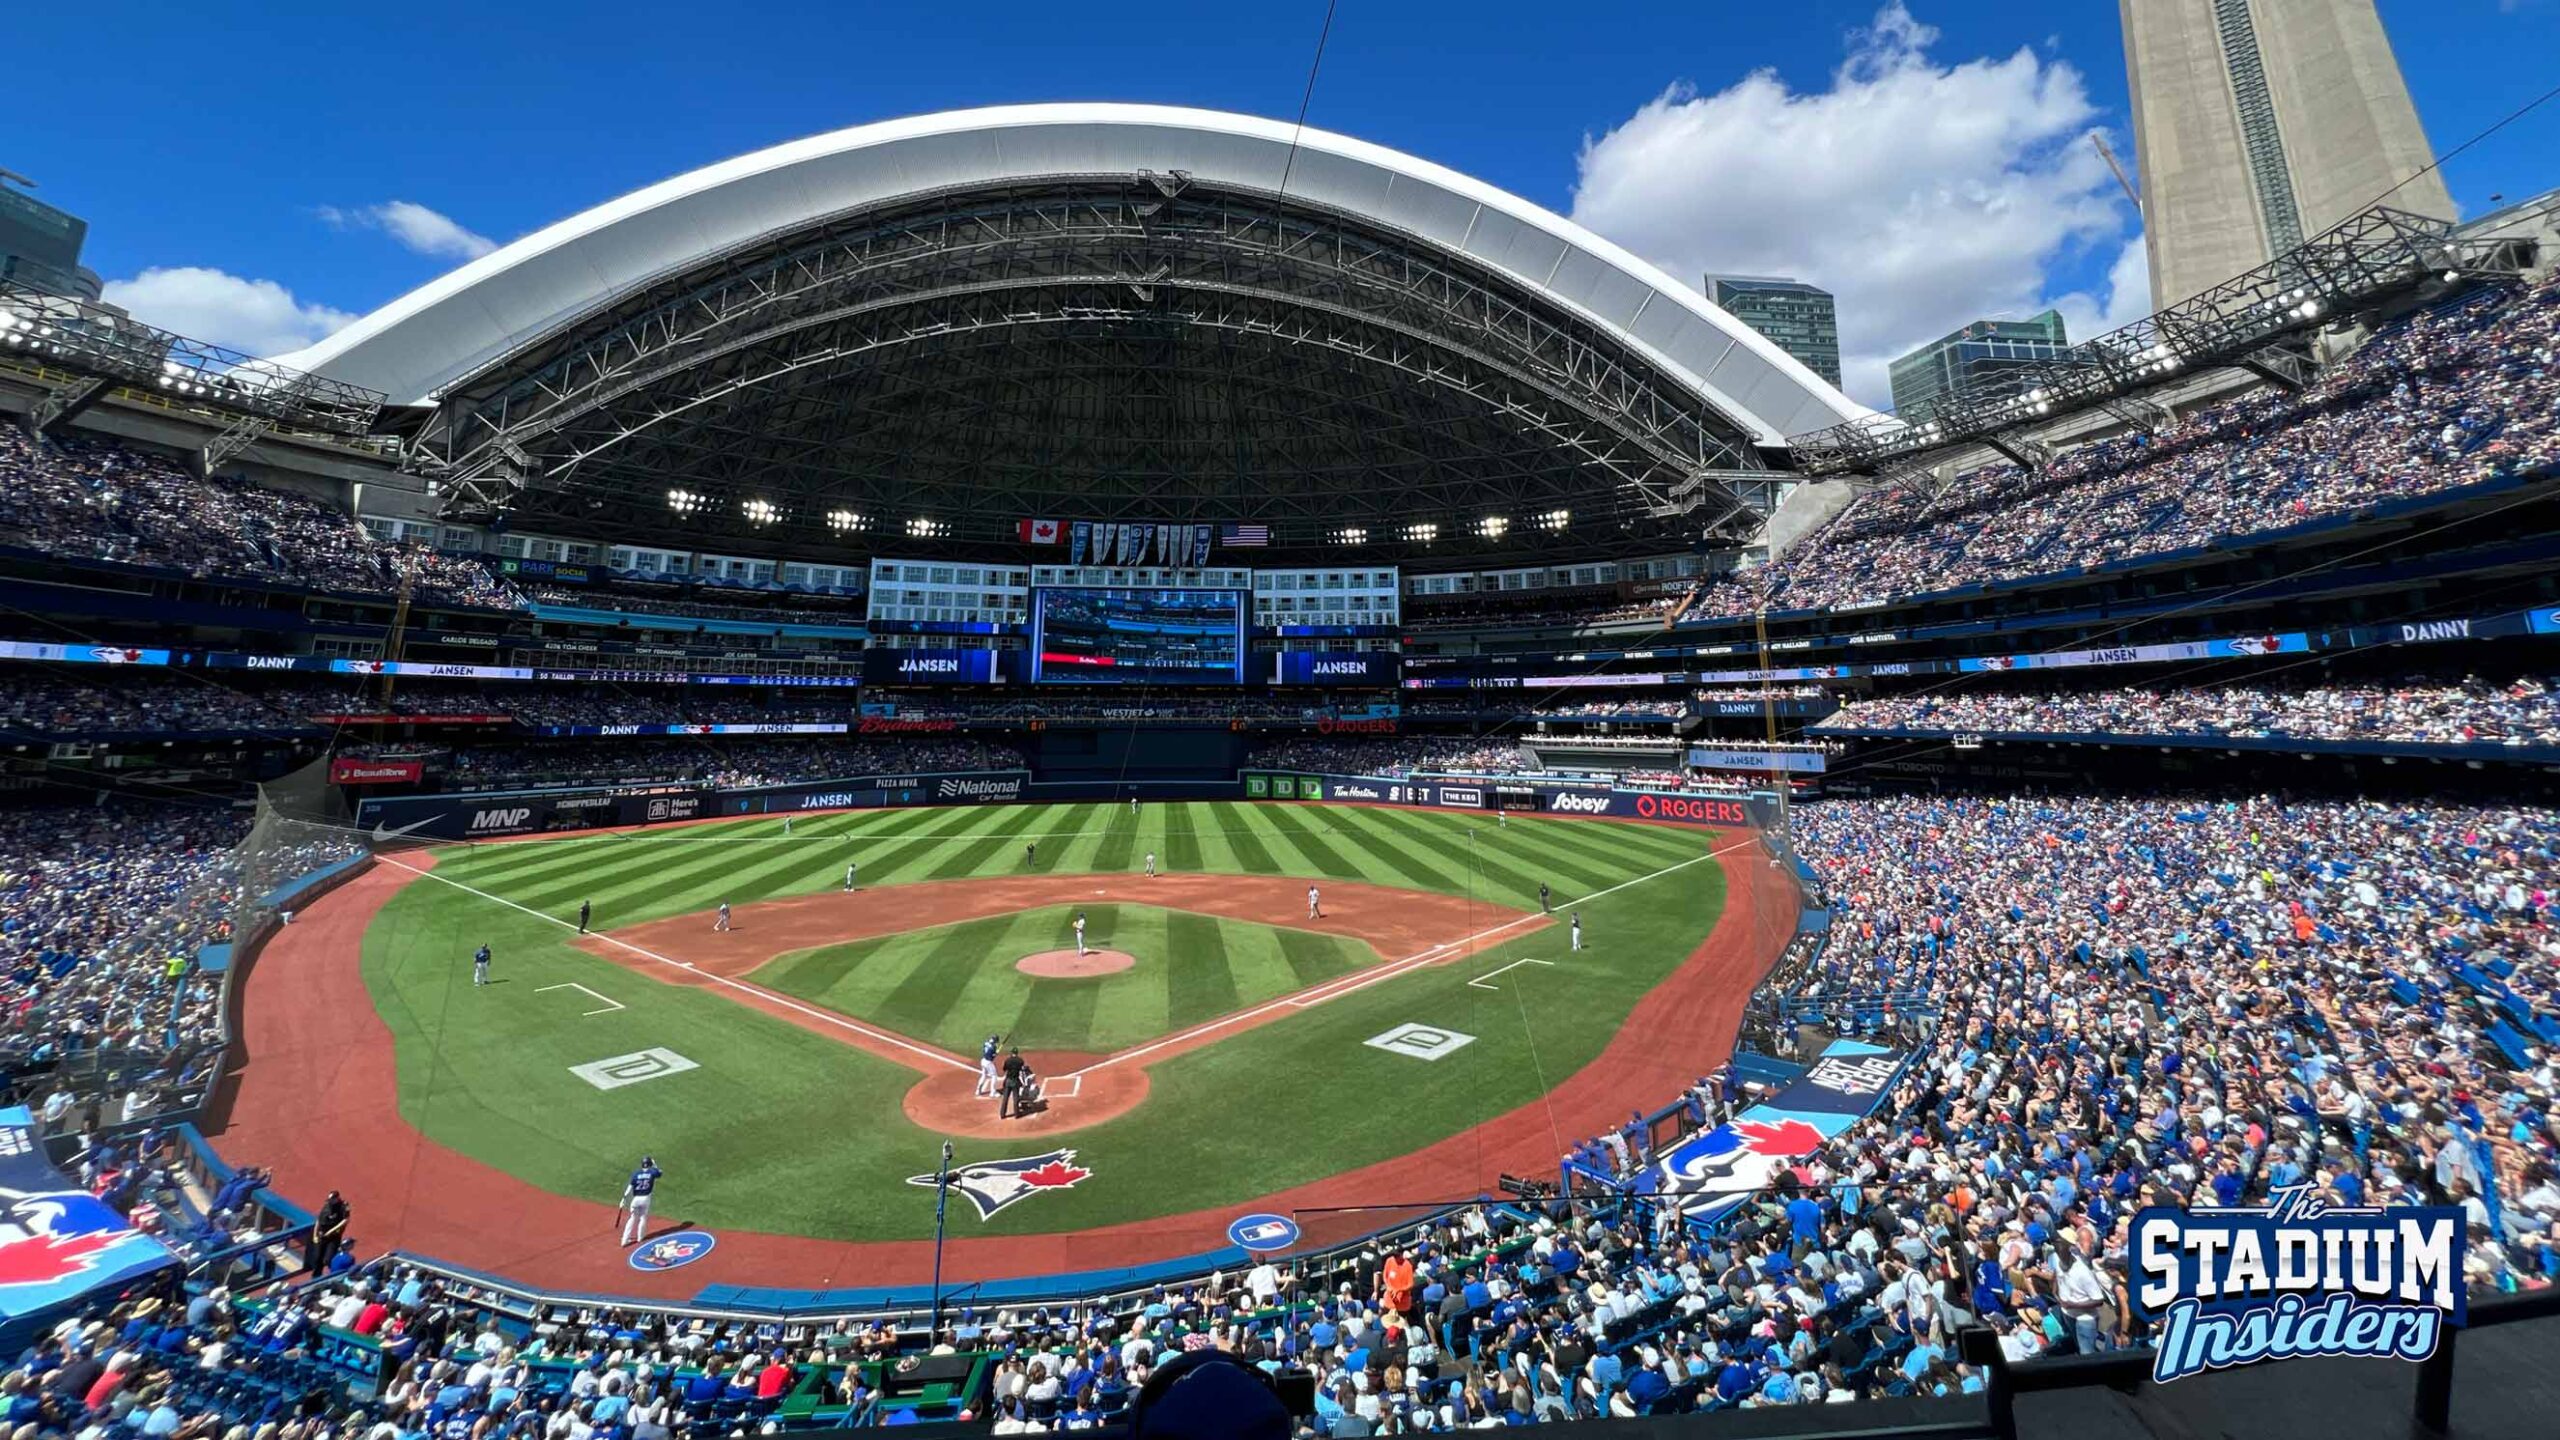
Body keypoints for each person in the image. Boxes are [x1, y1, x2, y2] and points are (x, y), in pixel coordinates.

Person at [619, 1156, 663, 1246]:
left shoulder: (636, 1174)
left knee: (632, 1218)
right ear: (650, 1164)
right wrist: (654, 1164)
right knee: (643, 1217)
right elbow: (660, 1172)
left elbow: (630, 1187)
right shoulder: (652, 1172)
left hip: (635, 1199)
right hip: (645, 1199)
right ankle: (640, 1237)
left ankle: (624, 1240)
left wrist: (624, 1198)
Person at [308, 1191, 349, 1273]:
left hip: (333, 1236)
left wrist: (330, 1231)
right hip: (322, 1234)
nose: (330, 1201)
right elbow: (319, 1220)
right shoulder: (327, 1206)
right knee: (317, 1258)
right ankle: (316, 1276)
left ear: (337, 1198)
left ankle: (332, 1274)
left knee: (329, 1259)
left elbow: (345, 1220)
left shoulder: (343, 1206)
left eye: (332, 1199)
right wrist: (315, 1235)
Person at [999, 1049, 1029, 1119]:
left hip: (1008, 1080)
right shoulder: (1020, 1060)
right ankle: (1016, 1114)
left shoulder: (1008, 1060)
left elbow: (1004, 1069)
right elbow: (1021, 1068)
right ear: (1017, 1053)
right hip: (1015, 1081)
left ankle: (1002, 1114)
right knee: (1016, 1098)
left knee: (1005, 1098)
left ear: (1011, 1053)